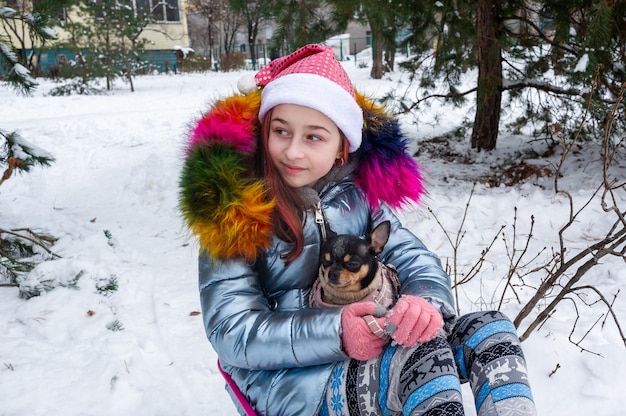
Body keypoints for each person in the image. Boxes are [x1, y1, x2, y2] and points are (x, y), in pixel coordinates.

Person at [179, 44, 538, 416]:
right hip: (288, 381)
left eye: (313, 137)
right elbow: (232, 331)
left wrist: (424, 303)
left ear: (341, 148)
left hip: (373, 339)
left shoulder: (359, 196)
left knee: (490, 333)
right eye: (281, 131)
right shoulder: (234, 209)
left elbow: (413, 258)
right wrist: (336, 332)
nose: (293, 152)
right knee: (422, 359)